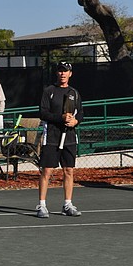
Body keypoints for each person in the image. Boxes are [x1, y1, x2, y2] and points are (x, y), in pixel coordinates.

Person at [36, 61, 83, 218]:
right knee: (47, 170)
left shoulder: (74, 93)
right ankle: (41, 205)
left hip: (69, 136)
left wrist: (75, 121)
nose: (63, 74)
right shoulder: (48, 91)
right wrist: (60, 118)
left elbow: (80, 113)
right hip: (52, 136)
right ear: (57, 73)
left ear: (70, 73)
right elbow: (43, 113)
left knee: (69, 170)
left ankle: (67, 204)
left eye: (66, 71)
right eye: (60, 71)